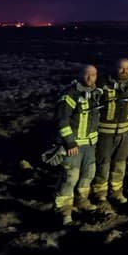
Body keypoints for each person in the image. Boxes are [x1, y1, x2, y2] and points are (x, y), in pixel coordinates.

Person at [53, 64, 103, 225]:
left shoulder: (96, 93)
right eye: (87, 74)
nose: (90, 77)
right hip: (73, 146)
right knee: (70, 177)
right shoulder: (70, 94)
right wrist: (69, 142)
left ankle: (82, 201)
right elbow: (62, 120)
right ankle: (64, 211)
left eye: (93, 74)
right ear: (81, 75)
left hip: (90, 145)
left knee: (88, 175)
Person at [91, 58, 128, 206]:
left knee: (120, 163)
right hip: (105, 133)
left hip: (124, 133)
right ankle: (100, 194)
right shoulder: (102, 84)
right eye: (121, 68)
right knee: (103, 163)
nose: (125, 71)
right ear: (114, 68)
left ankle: (117, 191)